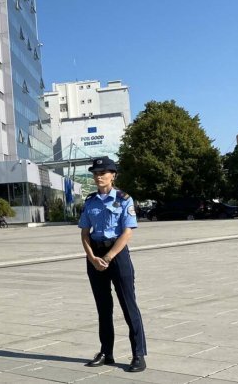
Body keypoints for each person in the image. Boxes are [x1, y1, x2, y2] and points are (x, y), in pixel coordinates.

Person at [79, 157, 147, 373]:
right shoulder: (90, 201)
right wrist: (92, 257)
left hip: (117, 255)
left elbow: (127, 232)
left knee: (129, 305)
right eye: (95, 173)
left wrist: (108, 258)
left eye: (103, 173)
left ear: (113, 175)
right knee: (103, 308)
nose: (98, 176)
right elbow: (84, 233)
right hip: (95, 256)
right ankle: (106, 352)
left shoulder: (124, 199)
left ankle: (138, 354)